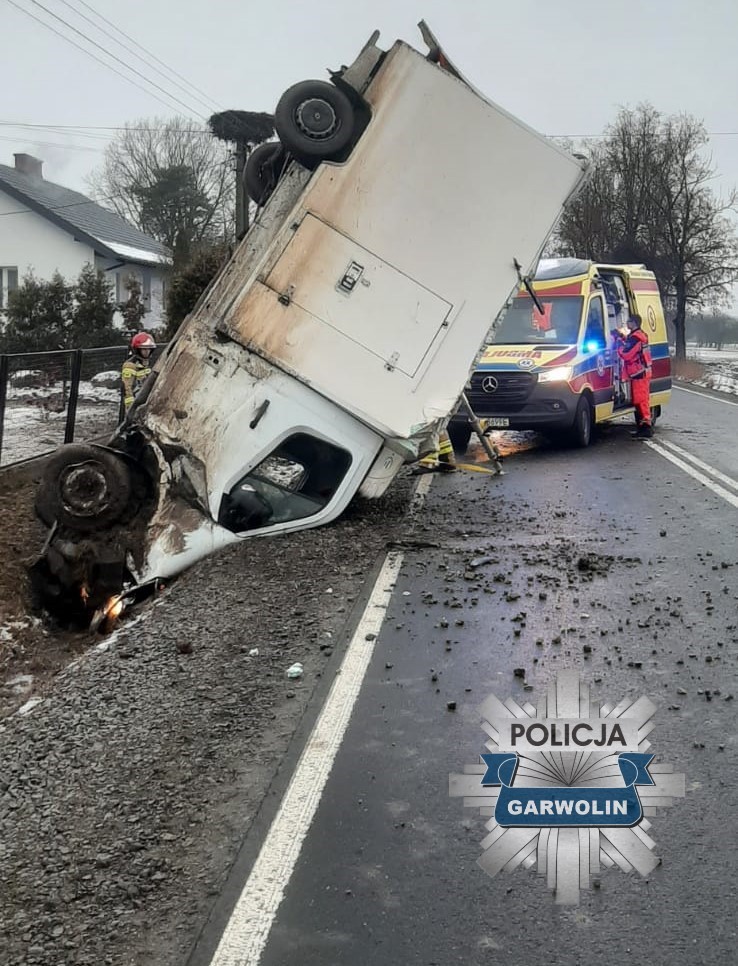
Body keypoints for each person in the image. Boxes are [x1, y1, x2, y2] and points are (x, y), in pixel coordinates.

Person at [617, 314, 653, 438]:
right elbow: (630, 345)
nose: (627, 323)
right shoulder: (638, 336)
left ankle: (645, 428)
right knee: (640, 401)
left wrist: (619, 345)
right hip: (640, 372)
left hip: (639, 373)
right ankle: (642, 428)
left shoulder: (636, 338)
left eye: (629, 321)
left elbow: (626, 354)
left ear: (634, 323)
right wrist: (622, 338)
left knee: (641, 401)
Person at [121, 331, 156, 411]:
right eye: (144, 349)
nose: (147, 351)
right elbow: (127, 389)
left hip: (147, 402)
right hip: (136, 404)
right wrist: (131, 409)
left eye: (149, 348)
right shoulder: (130, 365)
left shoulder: (148, 364)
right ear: (137, 349)